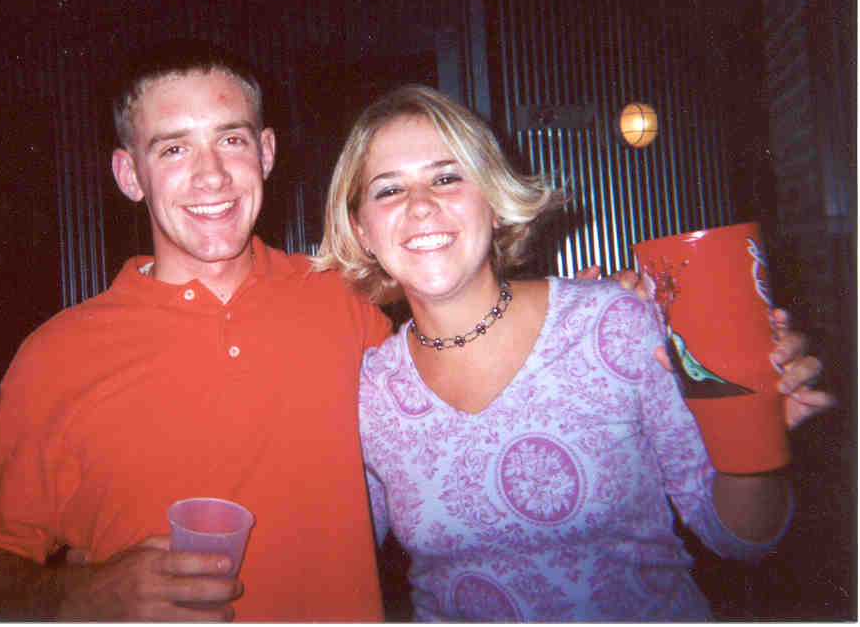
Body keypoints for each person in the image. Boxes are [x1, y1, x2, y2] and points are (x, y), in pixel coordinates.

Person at [313, 84, 833, 621]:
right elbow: (333, 557)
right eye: (389, 190)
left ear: (494, 202)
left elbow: (743, 537)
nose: (421, 205)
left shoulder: (613, 321)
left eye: (447, 178)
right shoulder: (369, 391)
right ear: (362, 230)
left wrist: (754, 437)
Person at [0, 40, 394, 621]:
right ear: (129, 174)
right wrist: (76, 596)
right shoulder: (55, 355)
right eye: (174, 149)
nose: (212, 176)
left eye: (231, 140)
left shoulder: (346, 301)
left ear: (265, 153)